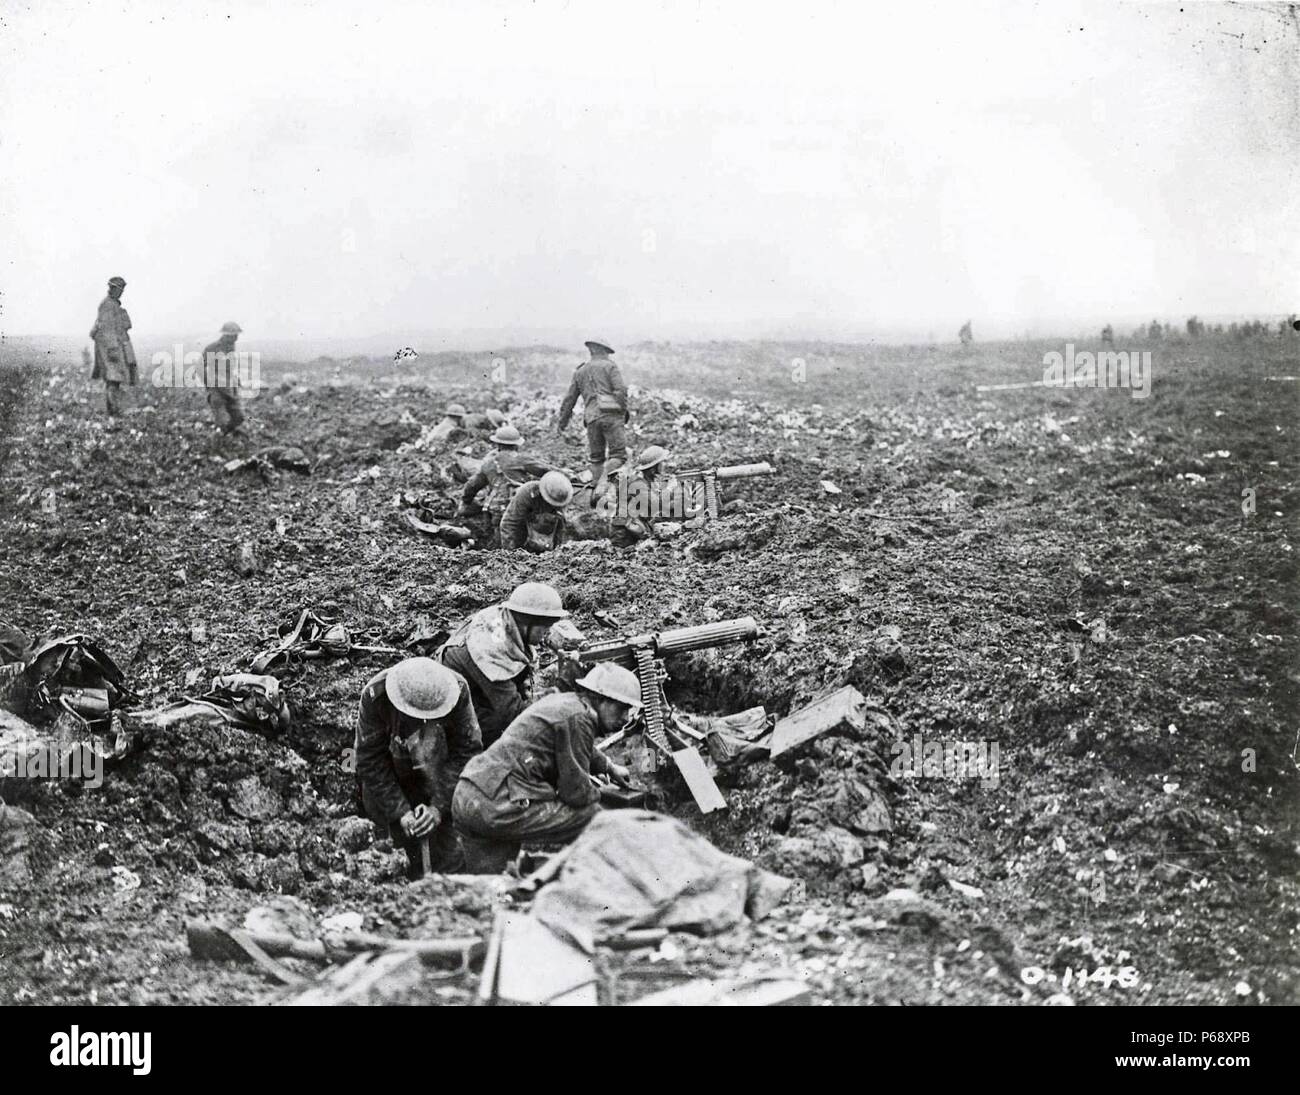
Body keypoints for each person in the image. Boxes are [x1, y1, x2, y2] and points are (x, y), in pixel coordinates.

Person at [452, 662, 637, 873]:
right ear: (601, 699)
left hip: (470, 795)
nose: (626, 718)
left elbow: (572, 740)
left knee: (492, 886)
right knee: (591, 815)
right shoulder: (580, 719)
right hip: (498, 804)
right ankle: (594, 879)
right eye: (622, 708)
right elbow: (576, 794)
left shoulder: (566, 704)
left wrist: (609, 767)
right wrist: (604, 798)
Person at [354, 657, 482, 879]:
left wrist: (438, 807)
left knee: (453, 856)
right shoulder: (376, 696)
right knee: (389, 855)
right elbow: (369, 760)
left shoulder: (457, 691)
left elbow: (467, 752)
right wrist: (401, 811)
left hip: (439, 775)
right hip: (393, 776)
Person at [438, 581, 568, 746]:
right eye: (545, 627)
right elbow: (514, 713)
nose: (548, 633)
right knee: (501, 727)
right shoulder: (490, 650)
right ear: (527, 622)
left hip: (474, 688)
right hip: (448, 710)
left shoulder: (509, 621)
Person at [457, 425, 555, 544]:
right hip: (519, 506)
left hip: (496, 509)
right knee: (524, 540)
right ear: (516, 445)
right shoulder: (521, 460)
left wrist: (466, 502)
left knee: (500, 544)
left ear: (497, 445)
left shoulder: (488, 464)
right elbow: (547, 471)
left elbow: (472, 486)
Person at [557, 340, 628, 494]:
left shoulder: (580, 371)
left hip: (591, 419)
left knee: (596, 459)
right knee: (619, 455)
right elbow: (620, 391)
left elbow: (570, 399)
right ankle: (602, 484)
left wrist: (562, 423)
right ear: (604, 351)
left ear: (591, 351)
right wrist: (622, 411)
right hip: (611, 415)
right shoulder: (610, 366)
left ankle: (596, 495)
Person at [602, 444, 674, 549]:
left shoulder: (645, 481)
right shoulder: (638, 483)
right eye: (661, 462)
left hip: (633, 531)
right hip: (624, 536)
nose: (664, 465)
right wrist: (670, 488)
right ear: (654, 467)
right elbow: (656, 504)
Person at [89, 276, 137, 421]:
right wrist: (112, 349)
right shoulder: (107, 305)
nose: (121, 292)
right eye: (119, 289)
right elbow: (108, 330)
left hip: (114, 346)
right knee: (113, 378)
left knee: (115, 379)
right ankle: (113, 411)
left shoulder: (113, 305)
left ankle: (114, 409)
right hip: (110, 348)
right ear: (113, 288)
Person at [498, 470, 573, 552]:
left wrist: (557, 553)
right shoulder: (527, 493)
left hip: (543, 537)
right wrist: (510, 553)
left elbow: (560, 527)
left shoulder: (561, 496)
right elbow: (509, 523)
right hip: (522, 532)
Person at [203, 322, 247, 440]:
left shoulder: (231, 347)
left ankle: (226, 435)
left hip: (230, 388)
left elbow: (230, 369)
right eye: (234, 336)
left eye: (237, 336)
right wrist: (210, 385)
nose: (236, 339)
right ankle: (219, 441)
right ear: (226, 335)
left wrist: (235, 380)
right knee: (222, 420)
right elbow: (201, 367)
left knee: (239, 417)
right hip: (217, 390)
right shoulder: (212, 348)